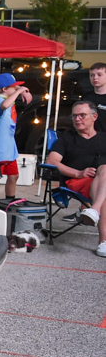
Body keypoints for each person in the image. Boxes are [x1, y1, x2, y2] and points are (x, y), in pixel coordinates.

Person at [45, 101, 106, 256]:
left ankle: (94, 209)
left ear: (94, 117)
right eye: (75, 116)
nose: (78, 119)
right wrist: (78, 173)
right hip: (76, 182)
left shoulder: (104, 138)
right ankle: (103, 241)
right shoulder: (66, 139)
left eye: (82, 115)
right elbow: (51, 161)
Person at [0, 73, 33, 201]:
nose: (16, 89)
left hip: (9, 148)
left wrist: (23, 91)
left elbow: (9, 101)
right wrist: (19, 91)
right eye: (14, 87)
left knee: (13, 175)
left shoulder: (7, 99)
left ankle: (10, 200)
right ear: (4, 89)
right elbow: (4, 105)